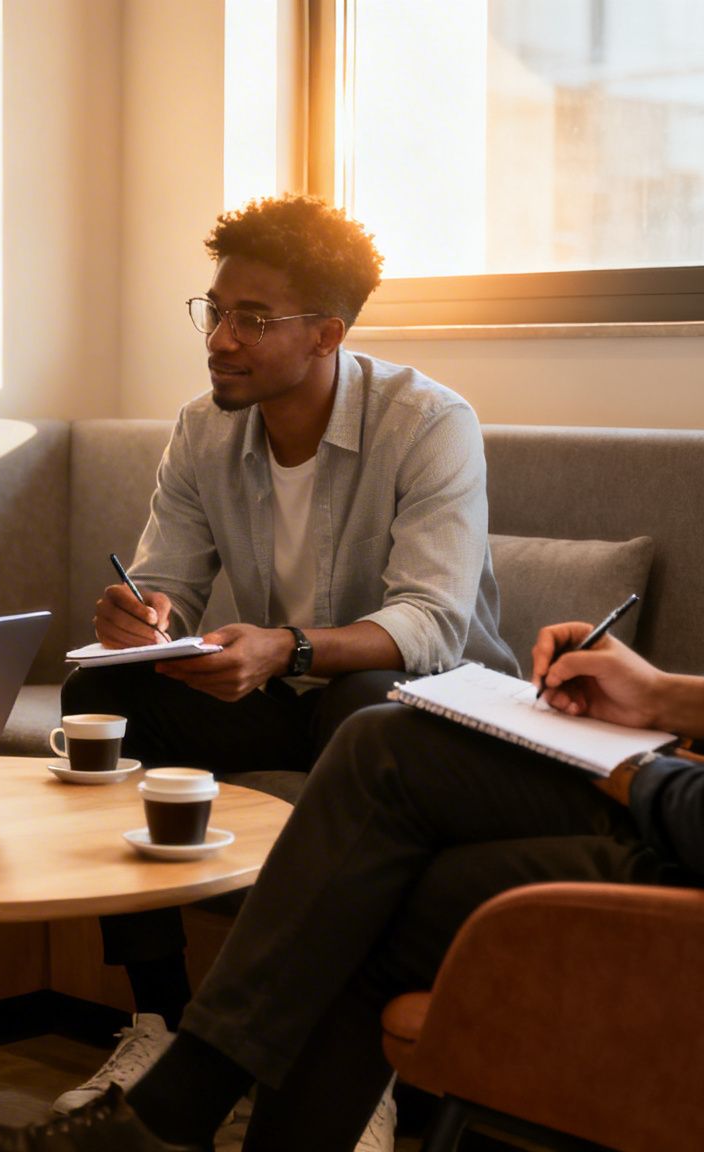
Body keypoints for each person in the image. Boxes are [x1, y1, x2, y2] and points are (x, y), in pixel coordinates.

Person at [0, 73, 704, 1152]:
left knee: (375, 858)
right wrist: (666, 695)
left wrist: (626, 767)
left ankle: (170, 1113)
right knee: (382, 753)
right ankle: (173, 1109)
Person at [54, 194, 512, 1118]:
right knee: (98, 699)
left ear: (326, 334)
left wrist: (290, 647)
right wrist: (142, 617)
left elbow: (432, 624)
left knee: (370, 703)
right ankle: (156, 1023)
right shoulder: (202, 429)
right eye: (214, 309)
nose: (219, 338)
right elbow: (166, 575)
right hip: (282, 686)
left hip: (422, 707)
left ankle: (354, 1075)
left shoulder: (428, 424)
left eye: (251, 319)